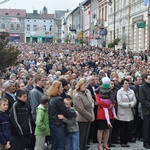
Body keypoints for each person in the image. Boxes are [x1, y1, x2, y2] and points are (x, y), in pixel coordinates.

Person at [47, 80, 77, 150]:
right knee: (61, 144)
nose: (62, 88)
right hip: (57, 124)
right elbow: (65, 111)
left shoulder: (52, 98)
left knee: (55, 144)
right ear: (57, 88)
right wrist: (74, 113)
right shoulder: (58, 99)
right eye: (61, 87)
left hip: (52, 123)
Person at [73, 78, 95, 150]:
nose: (85, 86)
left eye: (86, 85)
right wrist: (90, 117)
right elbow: (81, 109)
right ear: (79, 86)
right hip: (81, 119)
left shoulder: (86, 93)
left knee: (85, 137)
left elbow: (91, 102)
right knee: (81, 138)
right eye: (83, 85)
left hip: (88, 117)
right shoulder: (77, 96)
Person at [117, 78, 136, 147]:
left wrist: (131, 104)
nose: (127, 84)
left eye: (128, 83)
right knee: (123, 128)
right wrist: (127, 104)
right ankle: (122, 142)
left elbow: (134, 100)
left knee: (128, 128)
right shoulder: (120, 92)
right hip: (122, 112)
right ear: (122, 84)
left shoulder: (132, 91)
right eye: (125, 83)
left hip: (130, 111)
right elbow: (119, 102)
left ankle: (126, 141)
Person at [139, 74, 150, 149]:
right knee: (146, 127)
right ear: (145, 79)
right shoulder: (142, 88)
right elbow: (142, 100)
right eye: (149, 78)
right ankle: (146, 142)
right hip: (147, 110)